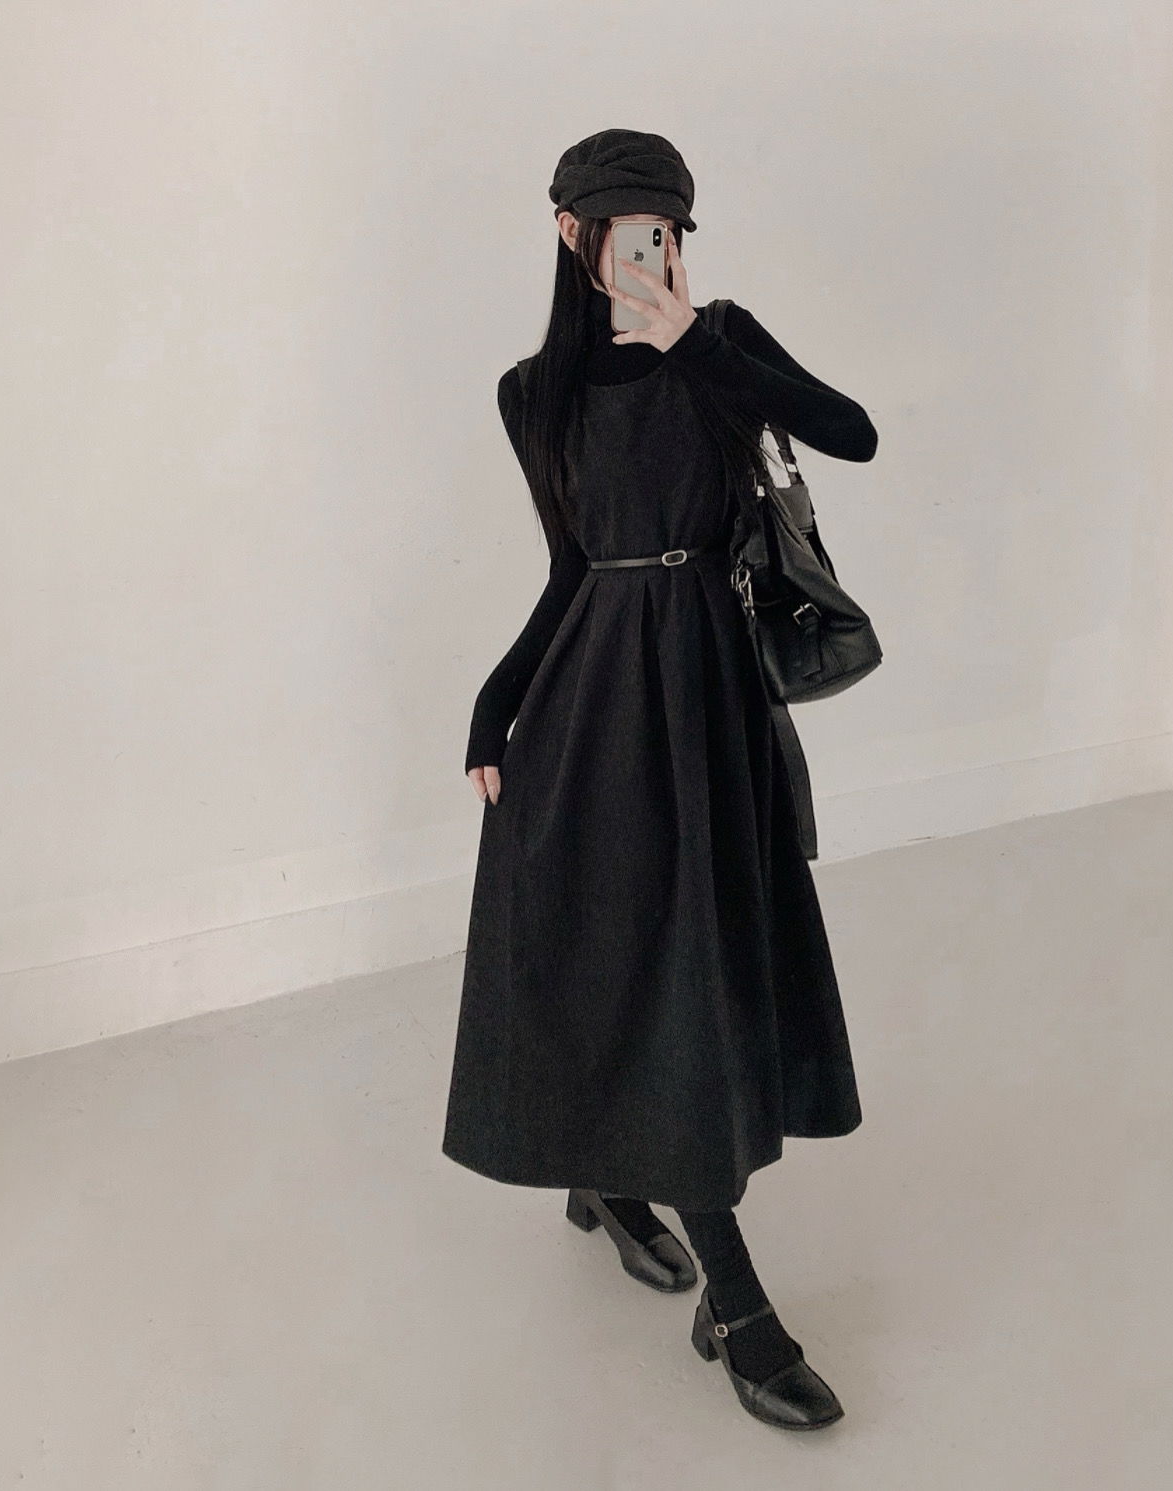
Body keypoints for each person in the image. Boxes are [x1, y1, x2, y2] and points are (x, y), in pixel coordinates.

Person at [441, 129, 879, 1430]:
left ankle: (616, 1181)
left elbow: (851, 435)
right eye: (629, 226)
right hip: (593, 707)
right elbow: (573, 573)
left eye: (669, 227)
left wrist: (693, 342)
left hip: (712, 703)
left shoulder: (721, 344)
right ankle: (733, 1302)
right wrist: (495, 704)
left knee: (697, 967)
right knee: (624, 957)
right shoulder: (534, 393)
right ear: (568, 234)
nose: (653, 247)